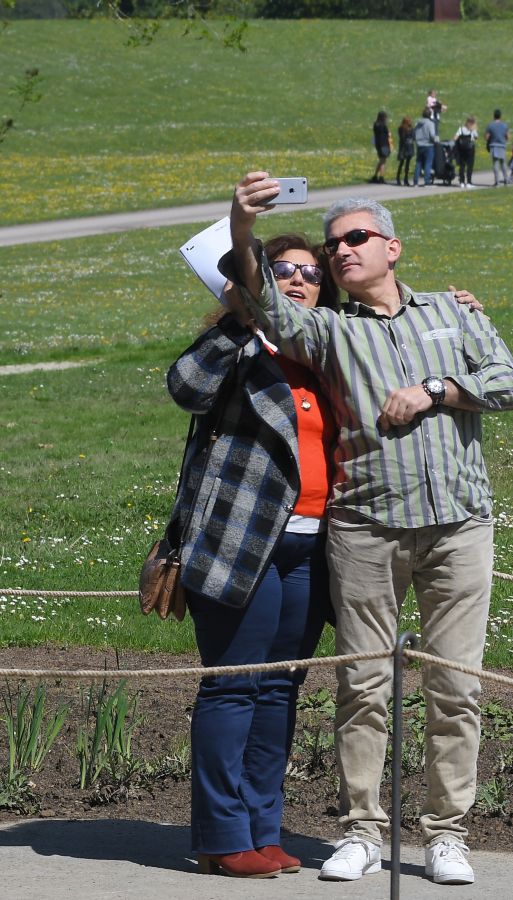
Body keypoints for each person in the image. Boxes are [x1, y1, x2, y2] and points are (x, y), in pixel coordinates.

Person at [225, 175, 513, 887]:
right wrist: (241, 225)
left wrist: (437, 391)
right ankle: (361, 830)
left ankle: (446, 836)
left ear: (393, 246)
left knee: (456, 688)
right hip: (365, 529)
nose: (339, 253)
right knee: (363, 686)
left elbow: (511, 382)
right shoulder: (329, 330)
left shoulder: (452, 314)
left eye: (355, 239)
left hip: (459, 527)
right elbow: (262, 298)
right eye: (331, 247)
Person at [167, 232, 339, 881]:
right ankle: (220, 835)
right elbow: (183, 386)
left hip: (311, 548)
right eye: (285, 272)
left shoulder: (323, 352)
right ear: (258, 281)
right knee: (235, 685)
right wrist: (241, 316)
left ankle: (262, 829)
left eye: (312, 275)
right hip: (240, 543)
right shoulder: (242, 345)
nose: (299, 281)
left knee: (279, 691)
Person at [413, 107, 438, 187]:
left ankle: (415, 182)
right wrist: (436, 139)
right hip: (428, 145)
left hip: (419, 145)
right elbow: (432, 135)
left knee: (418, 163)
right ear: (430, 115)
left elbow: (414, 133)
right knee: (428, 163)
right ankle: (427, 181)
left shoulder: (418, 123)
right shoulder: (430, 123)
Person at [452, 115, 479, 188]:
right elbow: (476, 137)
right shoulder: (473, 130)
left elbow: (455, 138)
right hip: (470, 149)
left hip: (461, 149)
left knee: (462, 166)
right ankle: (469, 182)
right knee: (470, 166)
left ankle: (462, 182)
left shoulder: (461, 129)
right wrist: (474, 129)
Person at [484, 109, 509, 187]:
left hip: (494, 145)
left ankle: (497, 181)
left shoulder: (490, 125)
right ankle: (506, 179)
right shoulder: (504, 125)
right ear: (500, 116)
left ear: (494, 116)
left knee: (496, 164)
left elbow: (487, 137)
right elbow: (507, 136)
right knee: (503, 163)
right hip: (502, 145)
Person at [371, 111, 391, 184]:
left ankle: (375, 176)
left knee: (381, 161)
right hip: (384, 144)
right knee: (383, 161)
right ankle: (381, 177)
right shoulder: (383, 126)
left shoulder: (375, 125)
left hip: (378, 144)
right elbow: (387, 134)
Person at [395, 116, 415, 187]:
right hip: (404, 148)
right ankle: (398, 178)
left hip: (408, 147)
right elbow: (403, 138)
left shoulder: (411, 129)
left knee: (407, 164)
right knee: (402, 163)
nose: (410, 122)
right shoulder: (402, 129)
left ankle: (405, 179)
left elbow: (413, 137)